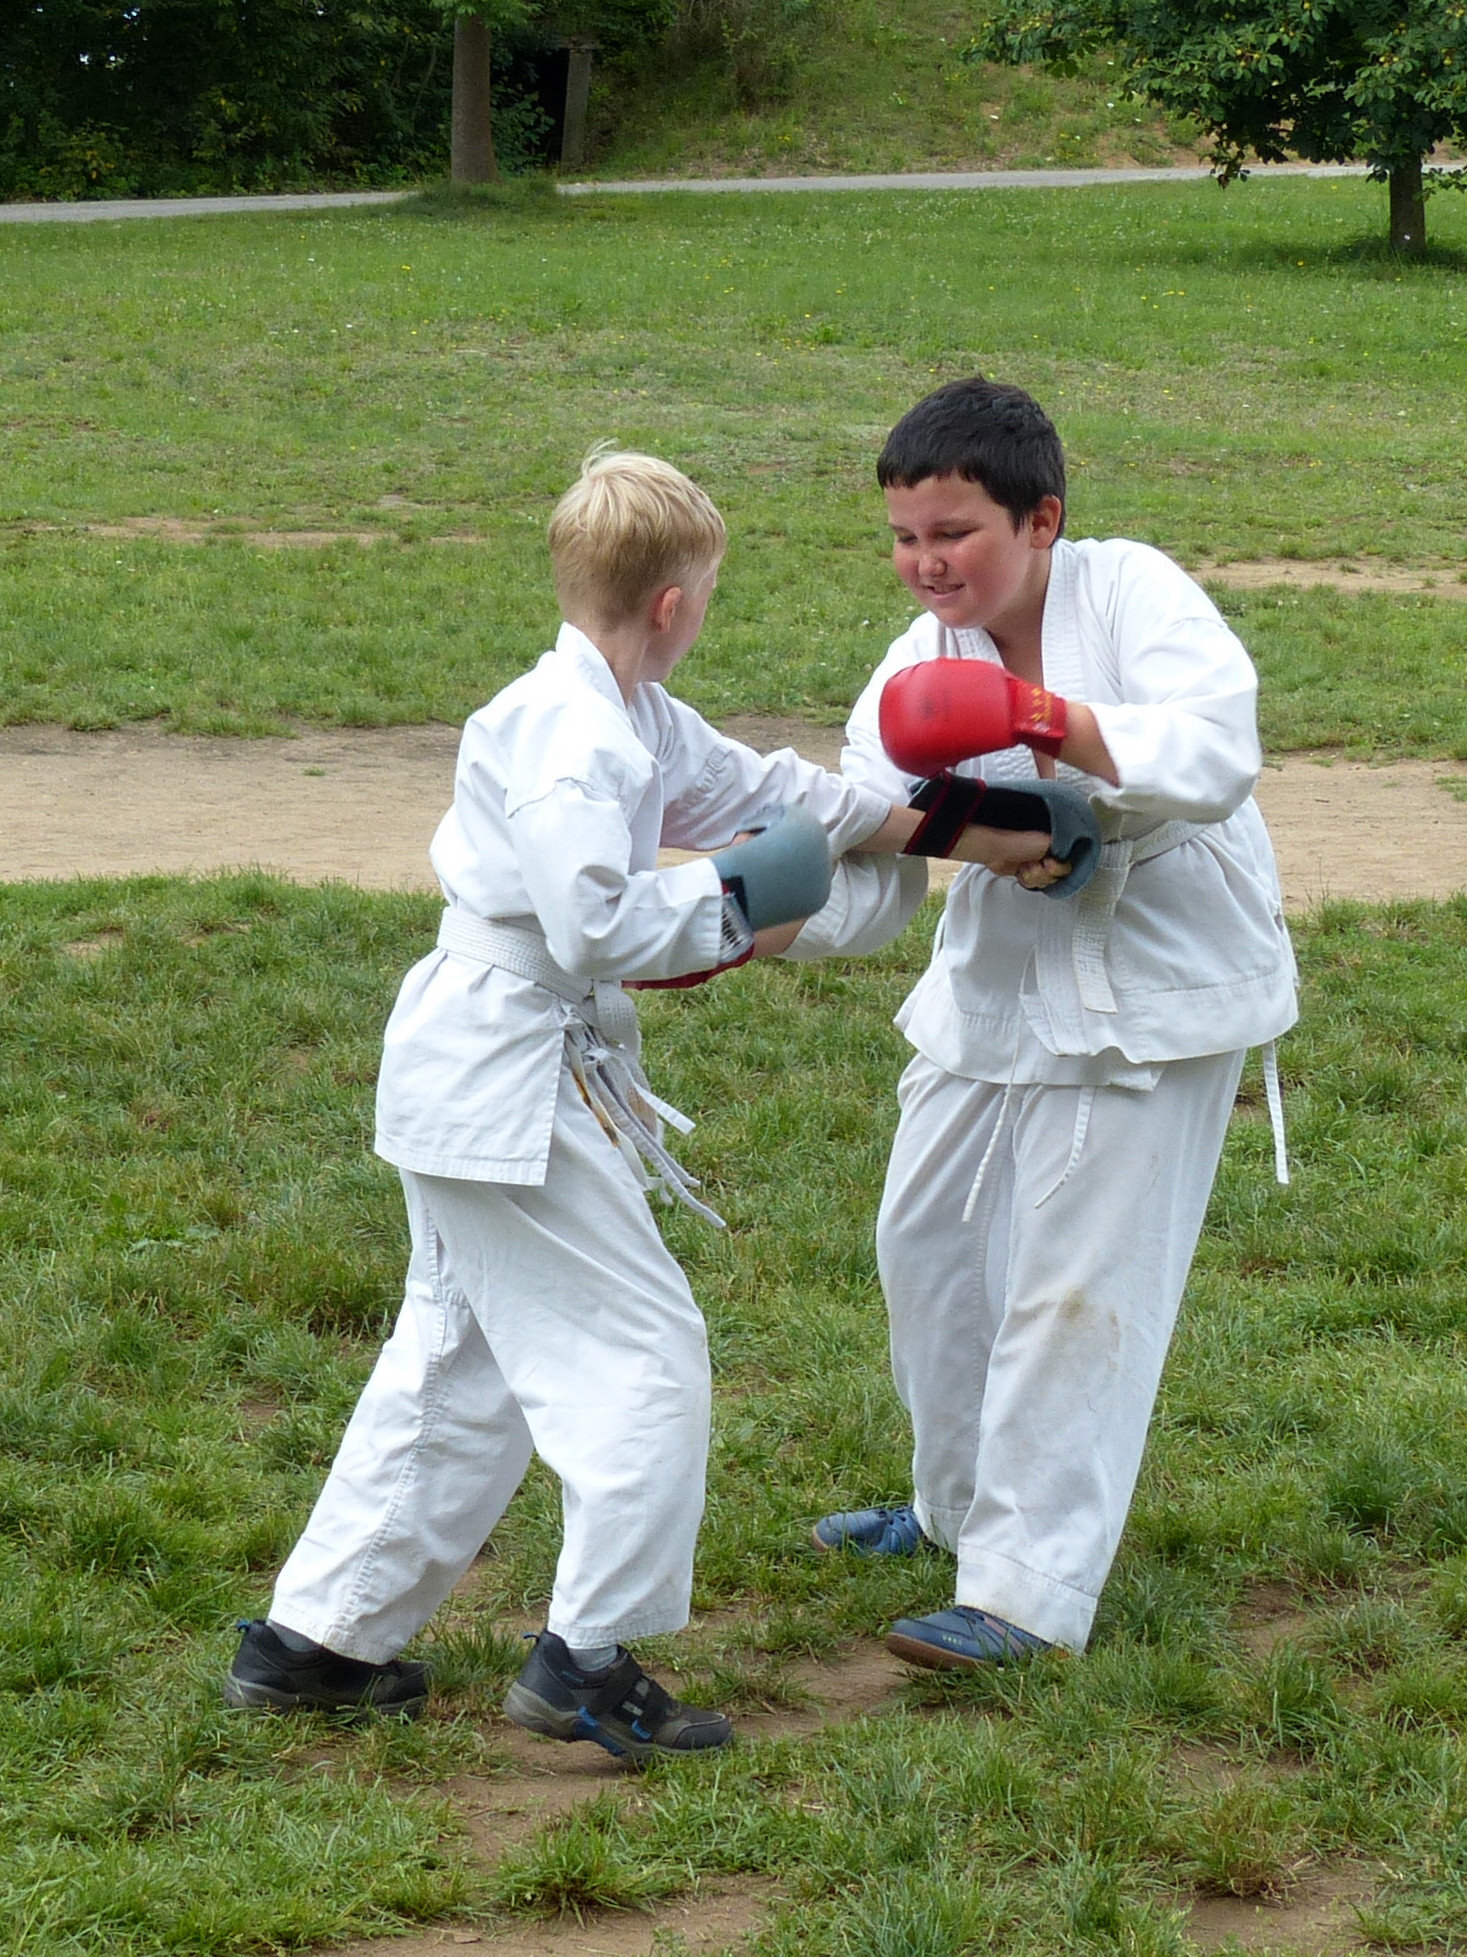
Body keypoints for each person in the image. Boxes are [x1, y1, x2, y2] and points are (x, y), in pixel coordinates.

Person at [223, 448, 1059, 1759]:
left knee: (462, 1361)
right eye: (709, 593)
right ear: (674, 603)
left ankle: (315, 1644)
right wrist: (743, 897)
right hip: (505, 1071)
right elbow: (595, 921)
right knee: (645, 1358)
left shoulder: (628, 712)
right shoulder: (572, 742)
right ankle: (587, 1659)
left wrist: (968, 830)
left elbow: (775, 794)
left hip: (495, 1063)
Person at [795, 377, 1297, 1670]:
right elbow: (878, 834)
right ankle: (954, 1508)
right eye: (905, 537)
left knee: (1076, 1282)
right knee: (929, 1242)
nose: (926, 563)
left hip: (1153, 975)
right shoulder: (921, 661)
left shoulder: (1131, 593)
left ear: (1042, 519)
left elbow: (1217, 748)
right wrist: (743, 919)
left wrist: (1044, 722)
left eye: (953, 533)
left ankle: (1026, 1590)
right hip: (1001, 975)